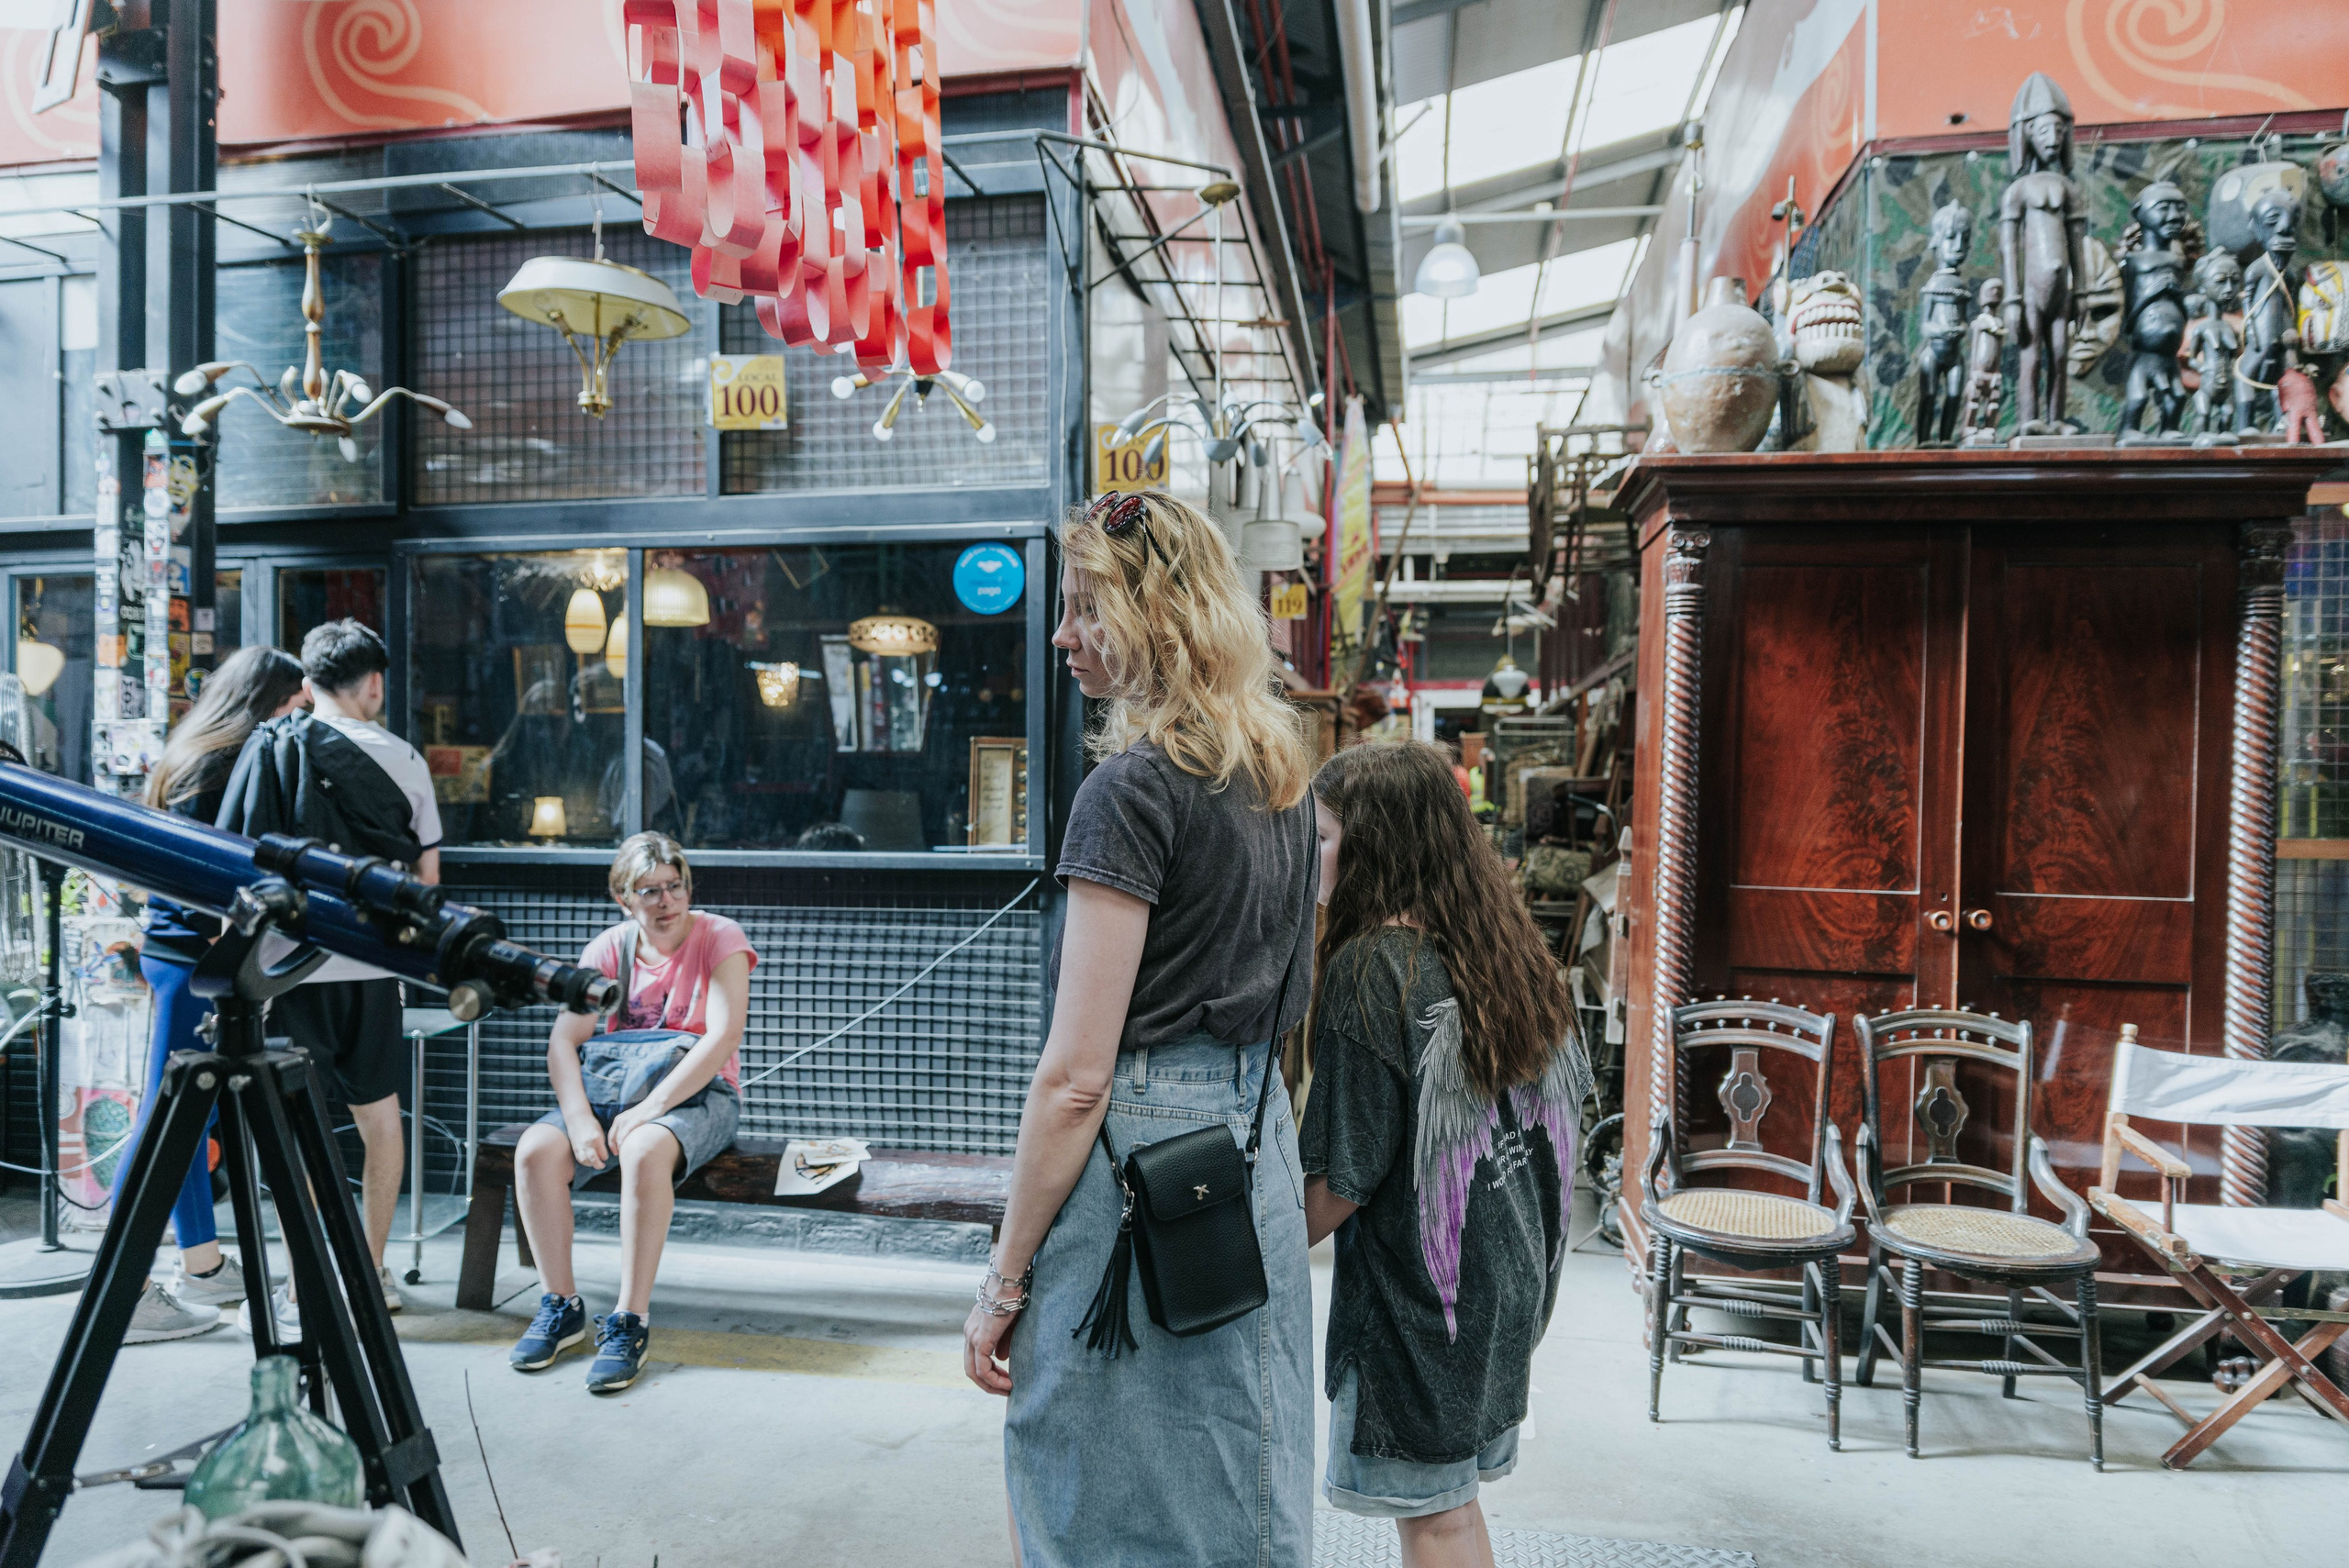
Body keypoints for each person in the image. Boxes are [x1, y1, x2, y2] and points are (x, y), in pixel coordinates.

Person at [963, 490, 1319, 1567]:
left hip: (1138, 1156)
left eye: (1085, 608)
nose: (1063, 633)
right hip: (1251, 1144)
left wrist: (1003, 1278)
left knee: (1100, 1489)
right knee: (1238, 1471)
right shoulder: (1280, 775)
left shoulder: (1127, 789)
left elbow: (1076, 1075)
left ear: (1160, 615)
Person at [1299, 740, 1591, 1568]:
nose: (1310, 860)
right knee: (1452, 1507)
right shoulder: (1508, 953)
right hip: (1506, 1282)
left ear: (1373, 846)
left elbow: (1338, 1183)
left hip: (1420, 1304)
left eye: (1322, 839)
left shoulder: (1372, 970)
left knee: (1432, 1520)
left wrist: (1244, 1255)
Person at [217, 619, 442, 1339]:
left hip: (284, 969)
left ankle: (299, 1280)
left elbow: (236, 861)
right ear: (374, 683)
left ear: (308, 686)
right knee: (380, 1122)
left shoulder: (272, 747)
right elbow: (426, 881)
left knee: (297, 1131)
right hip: (371, 972)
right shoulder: (406, 758)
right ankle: (370, 1270)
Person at [506, 831, 755, 1393]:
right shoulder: (606, 951)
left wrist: (649, 1110)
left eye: (675, 888)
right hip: (612, 1092)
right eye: (650, 892)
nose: (667, 902)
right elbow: (563, 1043)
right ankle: (561, 1305)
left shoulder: (720, 937)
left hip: (698, 1093)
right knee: (534, 1151)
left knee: (643, 1149)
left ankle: (628, 1320)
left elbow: (722, 1036)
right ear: (624, 898)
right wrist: (576, 1120)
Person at [117, 648, 310, 1343]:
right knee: (165, 1118)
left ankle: (200, 1266)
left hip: (173, 950)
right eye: (295, 704)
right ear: (269, 699)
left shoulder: (192, 749)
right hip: (193, 955)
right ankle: (124, 1291)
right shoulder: (228, 761)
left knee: (187, 1117)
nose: (300, 719)